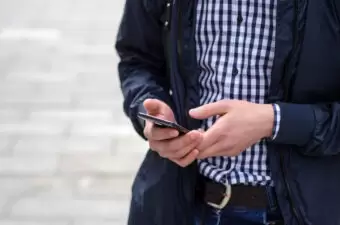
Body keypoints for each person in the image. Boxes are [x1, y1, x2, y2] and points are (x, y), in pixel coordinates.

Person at [115, 0, 340, 224]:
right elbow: (137, 58)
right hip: (178, 204)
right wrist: (151, 110)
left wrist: (275, 121)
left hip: (303, 210)